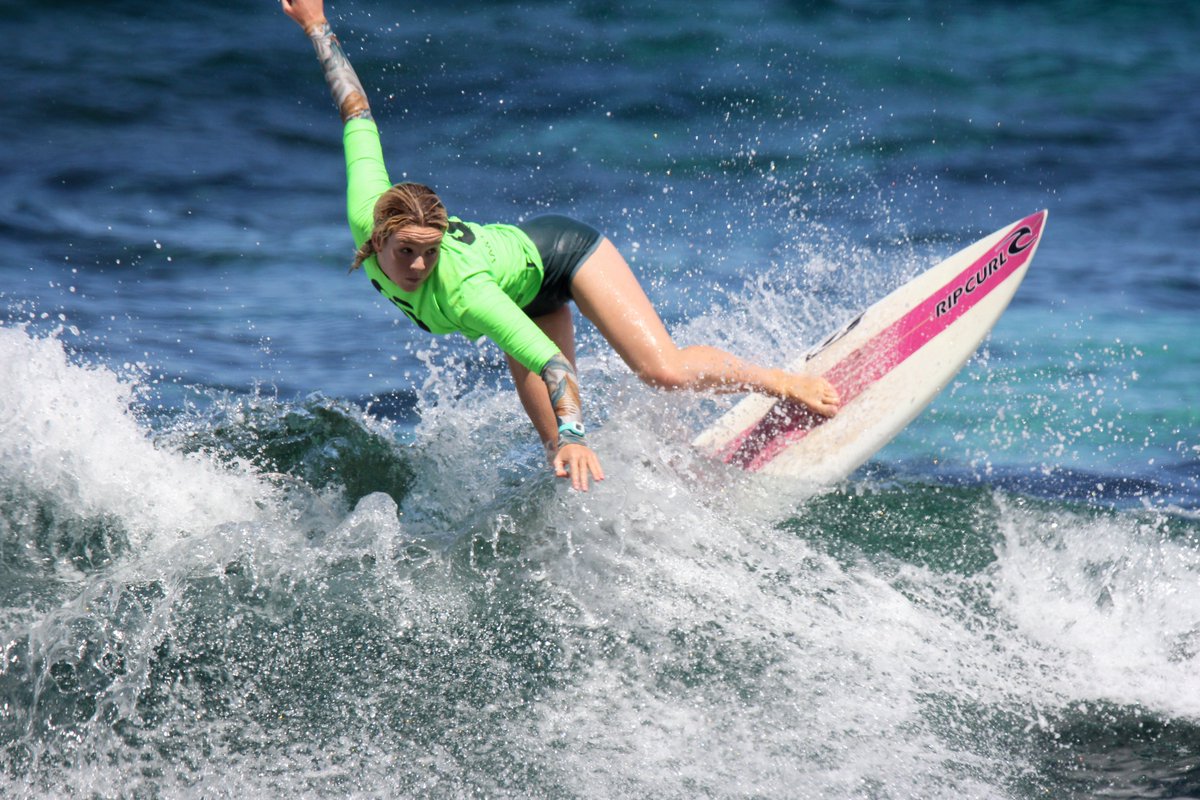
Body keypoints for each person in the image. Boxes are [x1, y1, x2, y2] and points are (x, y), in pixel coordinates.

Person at [281, 0, 840, 492]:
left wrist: (574, 429)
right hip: (520, 291)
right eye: (406, 251)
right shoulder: (367, 209)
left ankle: (781, 382)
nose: (420, 264)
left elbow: (551, 364)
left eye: (429, 250)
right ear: (378, 236)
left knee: (660, 372)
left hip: (564, 256)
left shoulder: (466, 291)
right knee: (558, 459)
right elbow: (356, 109)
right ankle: (642, 483)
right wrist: (317, 24)